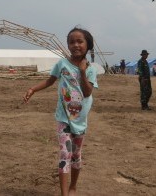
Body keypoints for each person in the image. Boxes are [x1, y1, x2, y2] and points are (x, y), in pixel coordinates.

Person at [22, 27, 98, 196]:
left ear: (88, 45)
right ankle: (65, 194)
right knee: (65, 153)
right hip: (64, 117)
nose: (75, 45)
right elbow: (50, 80)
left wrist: (83, 72)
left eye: (80, 41)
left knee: (76, 155)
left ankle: (73, 187)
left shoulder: (92, 69)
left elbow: (87, 92)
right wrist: (33, 89)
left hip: (80, 120)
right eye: (72, 42)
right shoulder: (62, 64)